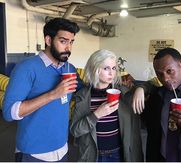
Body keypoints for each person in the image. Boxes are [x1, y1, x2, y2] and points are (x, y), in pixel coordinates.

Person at [2, 18, 83, 162]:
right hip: (33, 153)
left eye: (71, 42)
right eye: (63, 41)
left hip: (62, 149)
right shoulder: (26, 68)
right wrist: (53, 94)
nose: (68, 48)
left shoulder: (69, 68)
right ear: (48, 40)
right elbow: (9, 113)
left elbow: (85, 91)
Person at [70, 49, 143, 162]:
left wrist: (140, 89)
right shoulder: (82, 96)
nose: (111, 73)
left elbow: (151, 86)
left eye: (113, 68)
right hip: (92, 156)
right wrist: (96, 114)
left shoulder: (123, 93)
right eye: (106, 68)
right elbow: (75, 130)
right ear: (94, 69)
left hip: (118, 155)